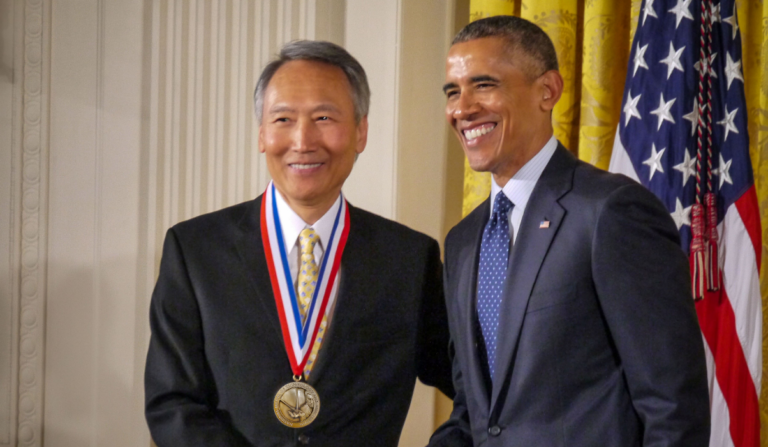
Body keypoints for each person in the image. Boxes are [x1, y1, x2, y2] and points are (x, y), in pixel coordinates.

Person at [144, 40, 453, 447]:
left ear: (360, 131)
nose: (303, 141)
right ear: (261, 134)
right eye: (283, 119)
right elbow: (171, 402)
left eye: (324, 117)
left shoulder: (409, 259)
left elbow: (474, 389)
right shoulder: (195, 250)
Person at [429, 16, 710, 447]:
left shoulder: (611, 211)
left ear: (548, 90)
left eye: (483, 85)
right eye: (453, 91)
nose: (462, 109)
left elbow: (673, 408)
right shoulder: (463, 241)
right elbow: (474, 412)